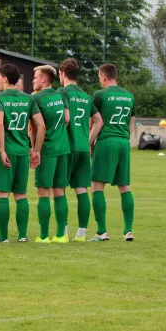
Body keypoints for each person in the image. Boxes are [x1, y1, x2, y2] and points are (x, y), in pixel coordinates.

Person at [0, 64, 45, 243]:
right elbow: (41, 126)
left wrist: (2, 150)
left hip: (7, 152)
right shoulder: (29, 99)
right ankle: (22, 236)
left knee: (3, 194)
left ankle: (3, 237)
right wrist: (35, 150)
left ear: (5, 78)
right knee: (21, 195)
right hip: (22, 152)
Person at [56, 58, 104, 242]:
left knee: (59, 190)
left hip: (66, 148)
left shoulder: (62, 92)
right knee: (81, 190)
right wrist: (87, 141)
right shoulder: (85, 95)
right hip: (83, 149)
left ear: (62, 73)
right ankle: (82, 234)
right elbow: (99, 121)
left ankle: (63, 233)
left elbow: (65, 118)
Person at [89, 63, 136, 242]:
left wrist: (89, 144)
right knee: (124, 186)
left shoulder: (100, 95)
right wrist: (122, 137)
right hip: (123, 142)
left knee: (97, 185)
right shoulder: (129, 96)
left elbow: (95, 122)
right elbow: (132, 125)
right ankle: (128, 230)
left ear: (103, 77)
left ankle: (101, 232)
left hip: (106, 141)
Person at [31, 65, 71, 243]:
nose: (33, 80)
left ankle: (44, 235)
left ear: (43, 80)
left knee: (43, 192)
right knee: (59, 192)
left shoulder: (36, 99)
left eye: (35, 77)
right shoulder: (60, 95)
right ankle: (62, 235)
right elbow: (67, 119)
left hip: (47, 149)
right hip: (63, 147)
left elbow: (36, 127)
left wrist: (35, 150)